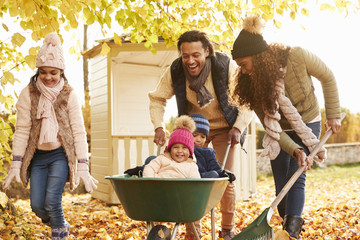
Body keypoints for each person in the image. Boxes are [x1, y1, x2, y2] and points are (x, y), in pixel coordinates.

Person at [229, 15, 341, 239]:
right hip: (279, 131)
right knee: (282, 185)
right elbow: (273, 130)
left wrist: (333, 115)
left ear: (259, 57)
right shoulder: (252, 86)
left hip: (308, 122)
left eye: (244, 64)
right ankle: (288, 224)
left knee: (296, 176)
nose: (242, 71)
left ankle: (291, 232)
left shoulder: (297, 56)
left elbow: (328, 77)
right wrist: (296, 150)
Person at [148, 30, 253, 239]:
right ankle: (193, 234)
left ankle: (227, 230)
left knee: (225, 178)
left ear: (207, 51)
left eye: (196, 55)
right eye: (185, 55)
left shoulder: (226, 66)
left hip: (226, 127)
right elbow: (157, 98)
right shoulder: (176, 70)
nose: (190, 60)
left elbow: (246, 100)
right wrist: (158, 126)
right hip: (194, 129)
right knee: (190, 180)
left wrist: (238, 127)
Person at [2, 33, 98, 240]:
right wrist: (16, 164)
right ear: (38, 71)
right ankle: (60, 223)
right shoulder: (28, 94)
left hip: (59, 156)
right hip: (37, 156)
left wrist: (83, 164)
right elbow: (22, 130)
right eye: (43, 72)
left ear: (61, 72)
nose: (48, 77)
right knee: (37, 205)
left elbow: (78, 131)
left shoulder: (69, 94)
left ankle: (59, 234)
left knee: (52, 201)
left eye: (53, 72)